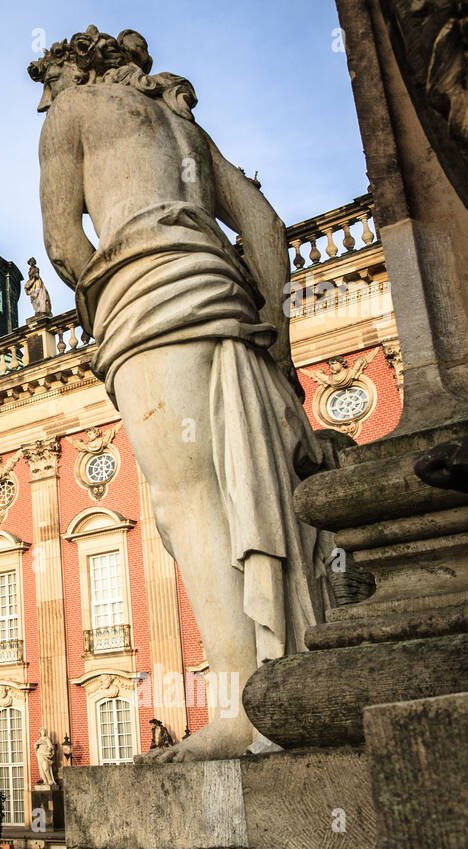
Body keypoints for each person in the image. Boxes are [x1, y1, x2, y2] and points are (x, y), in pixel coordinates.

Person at [31, 26, 330, 761]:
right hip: (223, 292)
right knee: (250, 483)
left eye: (50, 80)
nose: (46, 95)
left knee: (186, 497)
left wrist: (106, 303)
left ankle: (243, 708)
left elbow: (63, 240)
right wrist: (273, 331)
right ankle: (290, 683)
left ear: (75, 69)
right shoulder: (186, 129)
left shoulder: (71, 113)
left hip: (146, 296)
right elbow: (264, 224)